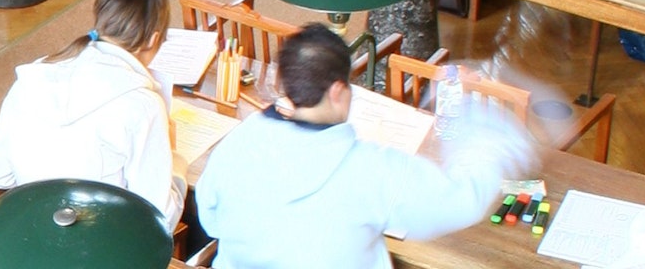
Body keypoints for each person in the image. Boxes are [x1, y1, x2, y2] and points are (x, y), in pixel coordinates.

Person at [195, 24, 537, 269]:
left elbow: (209, 219)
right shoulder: (373, 168)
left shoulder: (241, 139)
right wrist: (470, 113)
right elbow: (461, 201)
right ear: (337, 91)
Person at [0, 0, 186, 225]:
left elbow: (0, 176)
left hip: (29, 230)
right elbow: (159, 217)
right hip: (97, 245)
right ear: (153, 40)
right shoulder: (143, 105)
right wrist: (175, 160)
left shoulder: (36, 73)